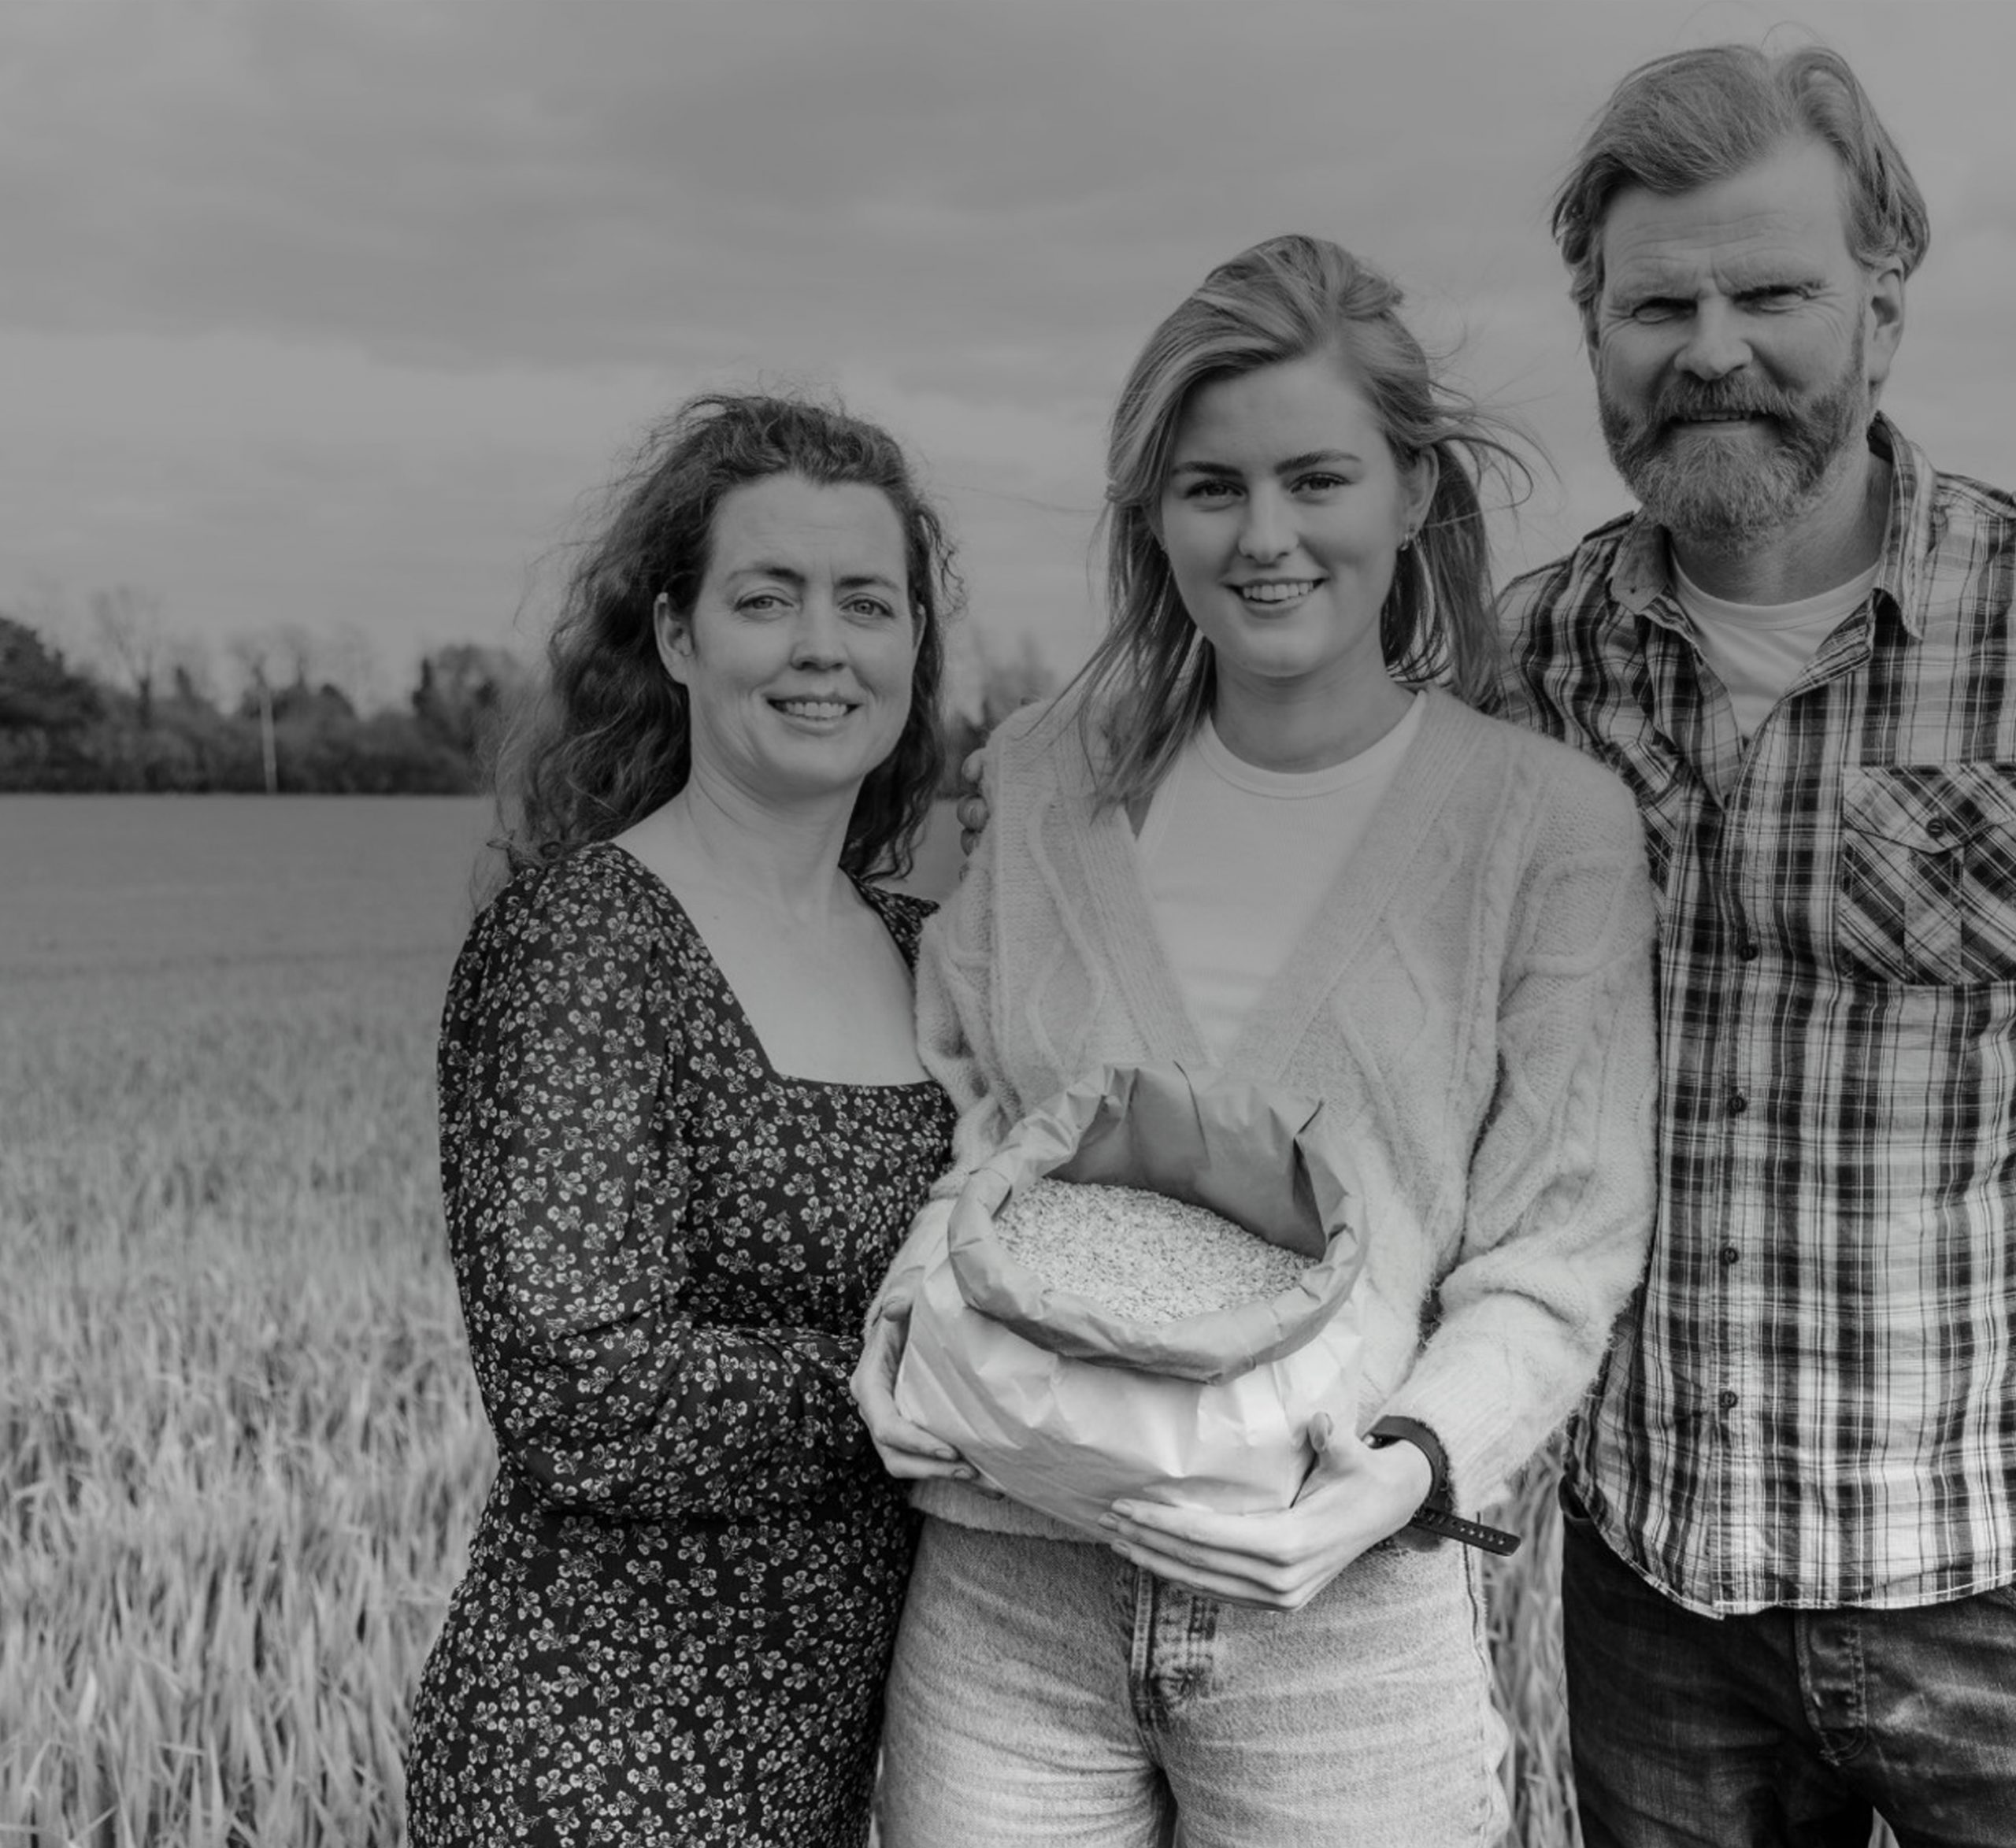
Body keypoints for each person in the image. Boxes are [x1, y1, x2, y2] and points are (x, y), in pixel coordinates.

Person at [853, 234, 1659, 1848]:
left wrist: (1403, 1474)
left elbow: (1555, 1246)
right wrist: (904, 1318)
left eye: (1315, 477)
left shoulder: (1543, 830)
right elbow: (974, 1109)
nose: (1265, 535)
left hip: (1337, 1619)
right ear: (1151, 513)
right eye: (1209, 486)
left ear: (1410, 489)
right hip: (1009, 1590)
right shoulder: (1037, 781)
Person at [1495, 43, 2016, 1846]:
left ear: (1880, 302)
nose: (1708, 346)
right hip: (1651, 1586)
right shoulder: (1531, 662)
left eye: (1769, 289)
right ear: (1593, 328)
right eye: (1656, 301)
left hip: (1977, 1579)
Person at [403, 392, 962, 1848]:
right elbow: (583, 1397)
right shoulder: (589, 942)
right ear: (675, 637)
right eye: (766, 598)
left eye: (867, 602)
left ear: (915, 644)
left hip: (827, 1745)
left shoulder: (922, 948)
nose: (822, 646)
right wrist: (943, 1390)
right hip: (601, 1745)